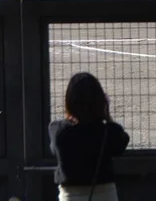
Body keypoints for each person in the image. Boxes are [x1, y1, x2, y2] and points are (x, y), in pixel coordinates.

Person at [49, 72, 130, 201]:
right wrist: (106, 115)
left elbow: (54, 150)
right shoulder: (108, 132)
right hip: (105, 196)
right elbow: (122, 142)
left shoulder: (58, 131)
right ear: (101, 102)